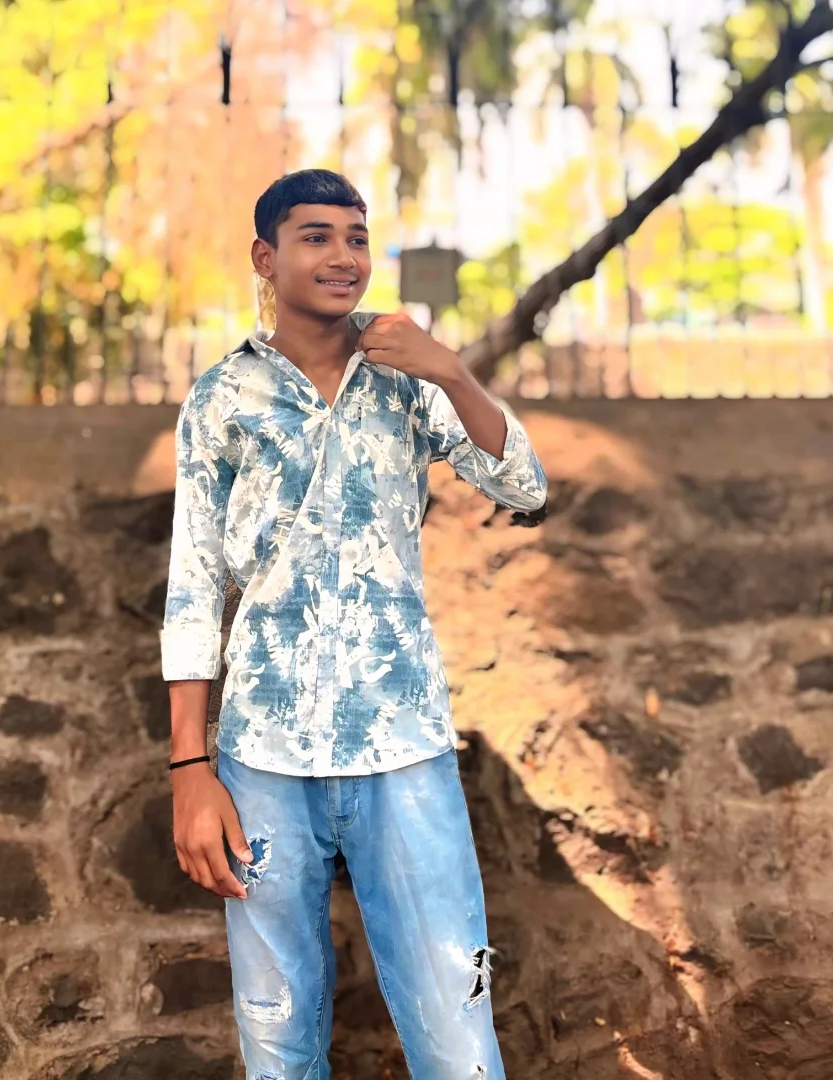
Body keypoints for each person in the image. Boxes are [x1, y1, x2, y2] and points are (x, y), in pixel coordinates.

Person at [162, 168, 547, 1079]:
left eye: (357, 237)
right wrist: (189, 770)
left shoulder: (409, 381)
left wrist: (449, 369)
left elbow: (524, 487)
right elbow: (193, 587)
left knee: (457, 1033)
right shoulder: (222, 398)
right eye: (317, 236)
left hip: (403, 744)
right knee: (277, 1039)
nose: (343, 256)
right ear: (266, 258)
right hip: (263, 757)